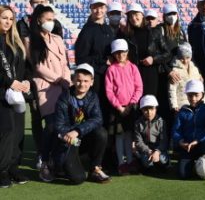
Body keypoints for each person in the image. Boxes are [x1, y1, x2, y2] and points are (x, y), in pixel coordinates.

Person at [17, 0, 63, 169]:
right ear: (30, 4)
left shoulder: (54, 23)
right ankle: (40, 152)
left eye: (42, 0)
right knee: (37, 117)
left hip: (54, 79)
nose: (39, 3)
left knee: (55, 118)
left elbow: (59, 52)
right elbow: (30, 56)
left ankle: (53, 152)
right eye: (35, 0)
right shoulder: (22, 24)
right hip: (32, 78)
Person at [29, 5, 71, 182]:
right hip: (46, 88)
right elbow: (38, 67)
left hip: (63, 86)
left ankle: (56, 161)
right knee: (52, 125)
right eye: (47, 19)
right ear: (39, 20)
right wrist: (58, 79)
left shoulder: (57, 39)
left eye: (52, 19)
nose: (51, 22)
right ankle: (44, 160)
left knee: (61, 126)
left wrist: (67, 80)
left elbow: (65, 63)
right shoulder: (33, 41)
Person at [54, 63, 110, 184]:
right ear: (73, 79)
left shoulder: (93, 96)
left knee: (101, 133)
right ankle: (57, 164)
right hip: (68, 141)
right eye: (78, 80)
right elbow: (58, 126)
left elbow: (97, 119)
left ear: (92, 82)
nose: (82, 84)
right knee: (78, 179)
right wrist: (71, 134)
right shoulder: (64, 97)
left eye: (86, 81)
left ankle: (95, 168)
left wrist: (78, 131)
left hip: (81, 138)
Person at [0, 5, 30, 188]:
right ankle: (2, 170)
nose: (8, 22)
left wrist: (25, 81)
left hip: (16, 94)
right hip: (2, 94)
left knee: (18, 131)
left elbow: (22, 68)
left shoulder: (15, 42)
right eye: (4, 18)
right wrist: (9, 82)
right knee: (6, 132)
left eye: (11, 19)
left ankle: (13, 166)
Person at [75, 0, 115, 130]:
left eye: (101, 7)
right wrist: (103, 61)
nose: (99, 11)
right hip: (96, 79)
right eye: (95, 7)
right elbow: (81, 58)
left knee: (108, 112)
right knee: (95, 112)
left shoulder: (108, 29)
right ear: (91, 9)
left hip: (109, 76)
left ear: (105, 9)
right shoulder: (87, 31)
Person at [105, 39, 143, 175]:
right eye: (118, 52)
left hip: (131, 107)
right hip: (117, 109)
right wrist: (119, 107)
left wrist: (132, 103)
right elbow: (109, 91)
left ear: (127, 52)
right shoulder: (111, 69)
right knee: (119, 136)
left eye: (123, 52)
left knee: (129, 135)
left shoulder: (133, 67)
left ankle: (130, 160)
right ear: (114, 54)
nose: (121, 55)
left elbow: (139, 87)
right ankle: (121, 162)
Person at [119, 3, 170, 96]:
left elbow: (167, 53)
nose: (133, 18)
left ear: (142, 15)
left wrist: (153, 59)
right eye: (130, 16)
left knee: (149, 103)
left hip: (151, 75)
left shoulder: (155, 32)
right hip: (133, 74)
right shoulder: (126, 35)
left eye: (136, 14)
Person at [172, 79, 205, 179]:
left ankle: (204, 161)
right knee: (183, 175)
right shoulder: (182, 112)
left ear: (203, 94)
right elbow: (176, 130)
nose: (193, 98)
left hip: (201, 144)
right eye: (190, 95)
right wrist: (180, 141)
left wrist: (198, 140)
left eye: (196, 95)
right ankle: (192, 163)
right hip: (187, 147)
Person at [133, 95, 169, 170]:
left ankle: (163, 163)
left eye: (152, 109)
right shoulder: (138, 123)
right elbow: (138, 141)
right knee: (148, 164)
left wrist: (157, 151)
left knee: (163, 161)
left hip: (159, 149)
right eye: (145, 109)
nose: (149, 112)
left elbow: (164, 140)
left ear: (156, 109)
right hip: (146, 150)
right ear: (141, 110)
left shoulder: (161, 122)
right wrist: (148, 151)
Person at [168, 42, 205, 113]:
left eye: (188, 58)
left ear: (191, 57)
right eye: (182, 58)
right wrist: (174, 105)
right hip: (181, 104)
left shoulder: (195, 69)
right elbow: (172, 89)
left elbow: (200, 89)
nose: (185, 61)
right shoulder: (175, 70)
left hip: (195, 101)